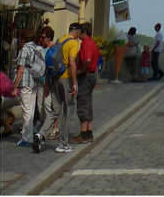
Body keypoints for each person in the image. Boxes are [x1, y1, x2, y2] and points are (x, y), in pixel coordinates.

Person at [51, 22, 83, 153]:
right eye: (79, 33)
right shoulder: (73, 43)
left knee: (55, 109)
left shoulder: (60, 40)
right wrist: (75, 82)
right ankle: (62, 143)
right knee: (68, 109)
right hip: (67, 78)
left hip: (56, 77)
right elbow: (72, 62)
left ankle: (41, 134)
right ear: (77, 31)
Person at [11, 26, 45, 146]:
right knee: (30, 110)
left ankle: (27, 137)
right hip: (35, 82)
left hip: (25, 82)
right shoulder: (37, 48)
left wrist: (15, 87)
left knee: (26, 110)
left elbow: (20, 71)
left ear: (23, 39)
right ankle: (29, 134)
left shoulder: (25, 50)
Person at [73, 22, 101, 144]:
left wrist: (80, 71)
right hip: (92, 75)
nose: (78, 34)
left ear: (84, 32)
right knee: (88, 103)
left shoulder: (86, 44)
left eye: (80, 31)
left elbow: (87, 60)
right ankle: (89, 132)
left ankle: (83, 134)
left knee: (83, 103)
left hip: (86, 76)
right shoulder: (92, 43)